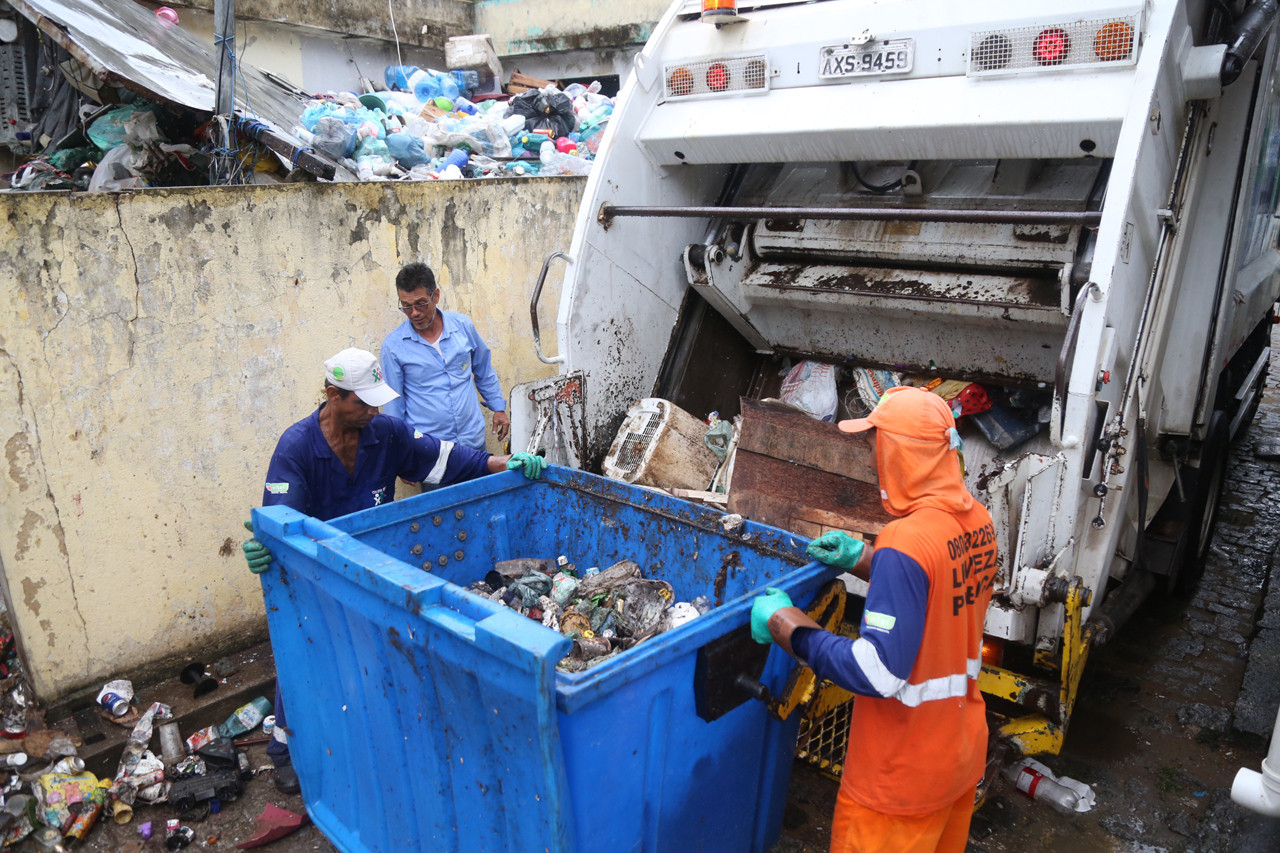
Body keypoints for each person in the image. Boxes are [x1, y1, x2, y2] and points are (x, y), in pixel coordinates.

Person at [241, 347, 545, 794]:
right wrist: (263, 544)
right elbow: (280, 519)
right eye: (361, 403)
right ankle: (284, 745)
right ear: (332, 395)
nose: (372, 411)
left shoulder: (385, 433)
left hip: (374, 567)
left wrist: (507, 462)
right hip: (315, 572)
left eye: (375, 402)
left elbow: (449, 459)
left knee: (370, 654)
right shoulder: (297, 446)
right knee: (304, 649)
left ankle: (366, 729)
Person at [751, 386, 998, 853]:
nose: (872, 460)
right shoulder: (977, 521)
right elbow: (939, 593)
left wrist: (788, 626)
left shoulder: (907, 541)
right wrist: (866, 558)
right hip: (959, 758)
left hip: (898, 781)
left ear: (903, 455)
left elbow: (876, 671)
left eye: (876, 446)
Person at [381, 262, 510, 454]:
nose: (414, 313)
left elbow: (483, 369)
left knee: (482, 485)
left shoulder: (463, 326)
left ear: (436, 296)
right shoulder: (393, 347)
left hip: (473, 442)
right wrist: (401, 453)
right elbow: (394, 405)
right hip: (430, 450)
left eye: (421, 304)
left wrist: (498, 407)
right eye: (406, 307)